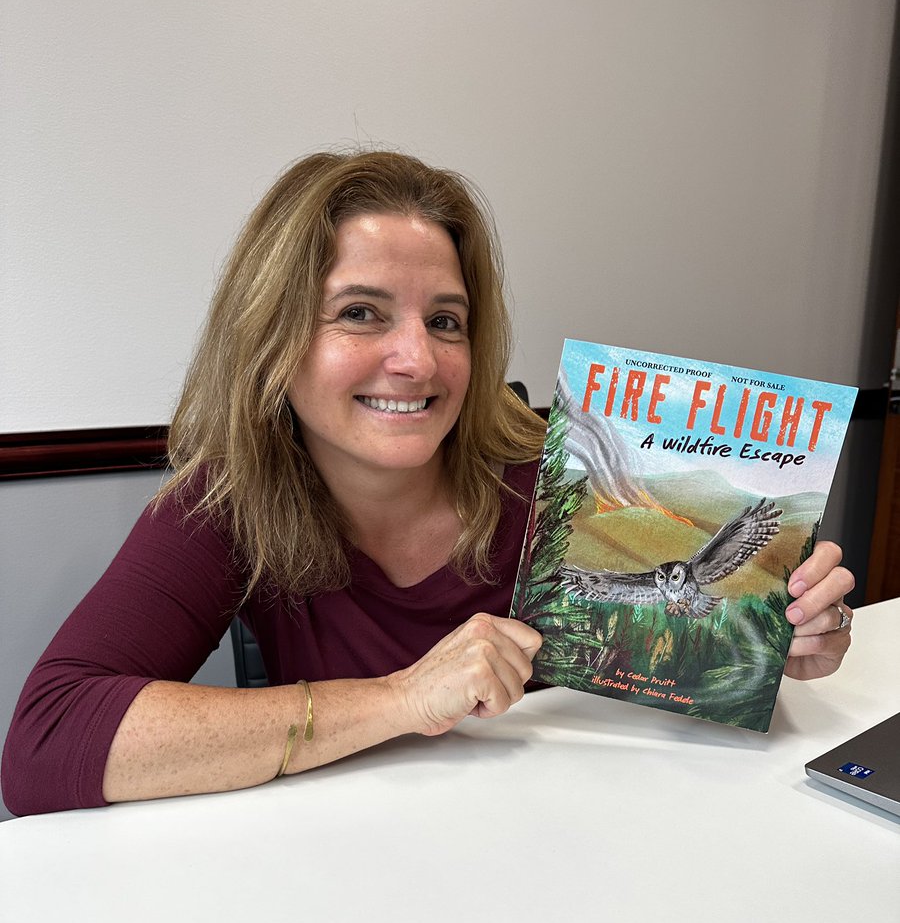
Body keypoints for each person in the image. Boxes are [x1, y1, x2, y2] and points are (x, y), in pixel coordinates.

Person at [1, 151, 855, 815]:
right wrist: (401, 698)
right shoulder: (231, 501)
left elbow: (666, 686)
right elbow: (44, 747)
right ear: (272, 339)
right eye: (361, 312)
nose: (416, 360)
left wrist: (782, 632)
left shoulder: (557, 480)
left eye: (445, 320)